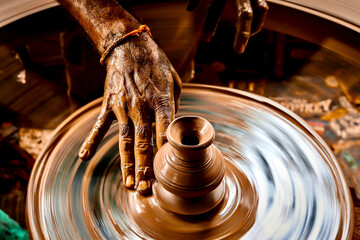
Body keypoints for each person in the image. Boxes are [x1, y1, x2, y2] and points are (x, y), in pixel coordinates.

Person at [58, 0, 268, 194]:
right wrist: (115, 31)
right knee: (107, 122)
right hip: (101, 15)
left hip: (181, 10)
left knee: (165, 97)